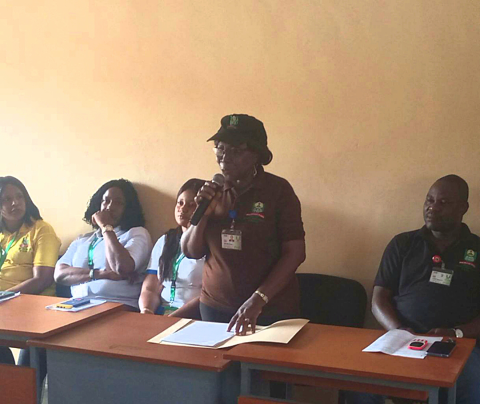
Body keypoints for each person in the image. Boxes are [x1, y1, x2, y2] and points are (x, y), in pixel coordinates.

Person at [346, 175, 480, 404]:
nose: (432, 207)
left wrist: (457, 333)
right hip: (401, 339)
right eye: (429, 200)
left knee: (473, 385)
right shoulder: (403, 243)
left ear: (463, 208)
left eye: (443, 202)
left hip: (459, 343)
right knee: (360, 382)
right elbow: (379, 299)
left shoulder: (476, 248)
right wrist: (399, 331)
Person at [181, 114, 306, 335]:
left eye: (236, 151)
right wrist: (204, 215)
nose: (224, 157)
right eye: (220, 148)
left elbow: (295, 253)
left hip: (269, 310)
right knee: (217, 369)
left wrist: (259, 299)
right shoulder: (212, 191)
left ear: (257, 154)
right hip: (214, 308)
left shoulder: (278, 191)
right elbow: (190, 251)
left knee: (259, 369)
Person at [55, 179, 152, 310]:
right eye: (105, 201)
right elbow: (59, 274)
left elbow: (122, 267)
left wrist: (106, 227)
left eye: (118, 203)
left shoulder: (136, 233)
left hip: (118, 305)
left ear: (127, 208)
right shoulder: (83, 239)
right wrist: (100, 274)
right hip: (76, 305)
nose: (109, 207)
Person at [0, 176, 61, 369]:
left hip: (32, 306)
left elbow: (42, 279)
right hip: (4, 307)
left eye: (19, 197)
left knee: (27, 372)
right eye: (6, 199)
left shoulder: (41, 229)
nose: (15, 203)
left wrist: (4, 297)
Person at [139, 178, 205, 317]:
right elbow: (150, 288)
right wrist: (146, 311)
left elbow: (209, 296)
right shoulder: (165, 240)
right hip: (161, 313)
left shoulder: (211, 244)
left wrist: (172, 319)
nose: (183, 209)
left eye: (191, 205)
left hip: (193, 316)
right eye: (180, 203)